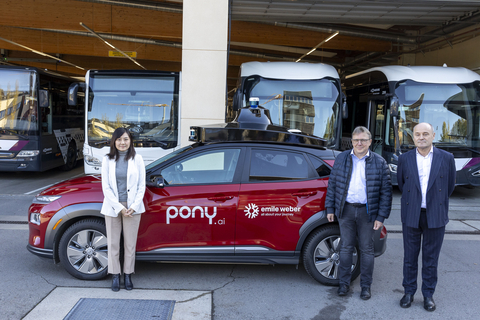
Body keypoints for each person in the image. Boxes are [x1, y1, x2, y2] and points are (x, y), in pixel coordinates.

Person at [325, 126, 392, 300]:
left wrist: (381, 216)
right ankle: (344, 284)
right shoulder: (342, 159)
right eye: (356, 140)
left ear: (370, 141)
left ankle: (365, 287)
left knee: (367, 249)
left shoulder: (379, 162)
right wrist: (330, 208)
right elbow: (332, 185)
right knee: (345, 247)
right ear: (352, 142)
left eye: (363, 140)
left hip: (368, 213)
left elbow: (386, 192)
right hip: (345, 210)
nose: (359, 143)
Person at [397, 122, 456, 312]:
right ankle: (408, 292)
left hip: (435, 215)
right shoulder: (404, 159)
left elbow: (450, 186)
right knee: (409, 257)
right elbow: (401, 184)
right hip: (411, 214)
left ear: (433, 135)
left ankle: (428, 295)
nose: (421, 137)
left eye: (425, 134)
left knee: (431, 259)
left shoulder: (446, 158)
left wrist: (435, 203)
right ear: (412, 136)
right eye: (417, 134)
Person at [101, 127, 146, 292]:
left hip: (133, 208)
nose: (122, 142)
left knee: (129, 244)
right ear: (114, 141)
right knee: (113, 243)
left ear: (130, 141)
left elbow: (142, 185)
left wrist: (133, 206)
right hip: (113, 207)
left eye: (126, 139)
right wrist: (119, 207)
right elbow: (105, 187)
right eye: (119, 139)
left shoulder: (138, 159)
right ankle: (115, 275)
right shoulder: (107, 159)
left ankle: (128, 274)